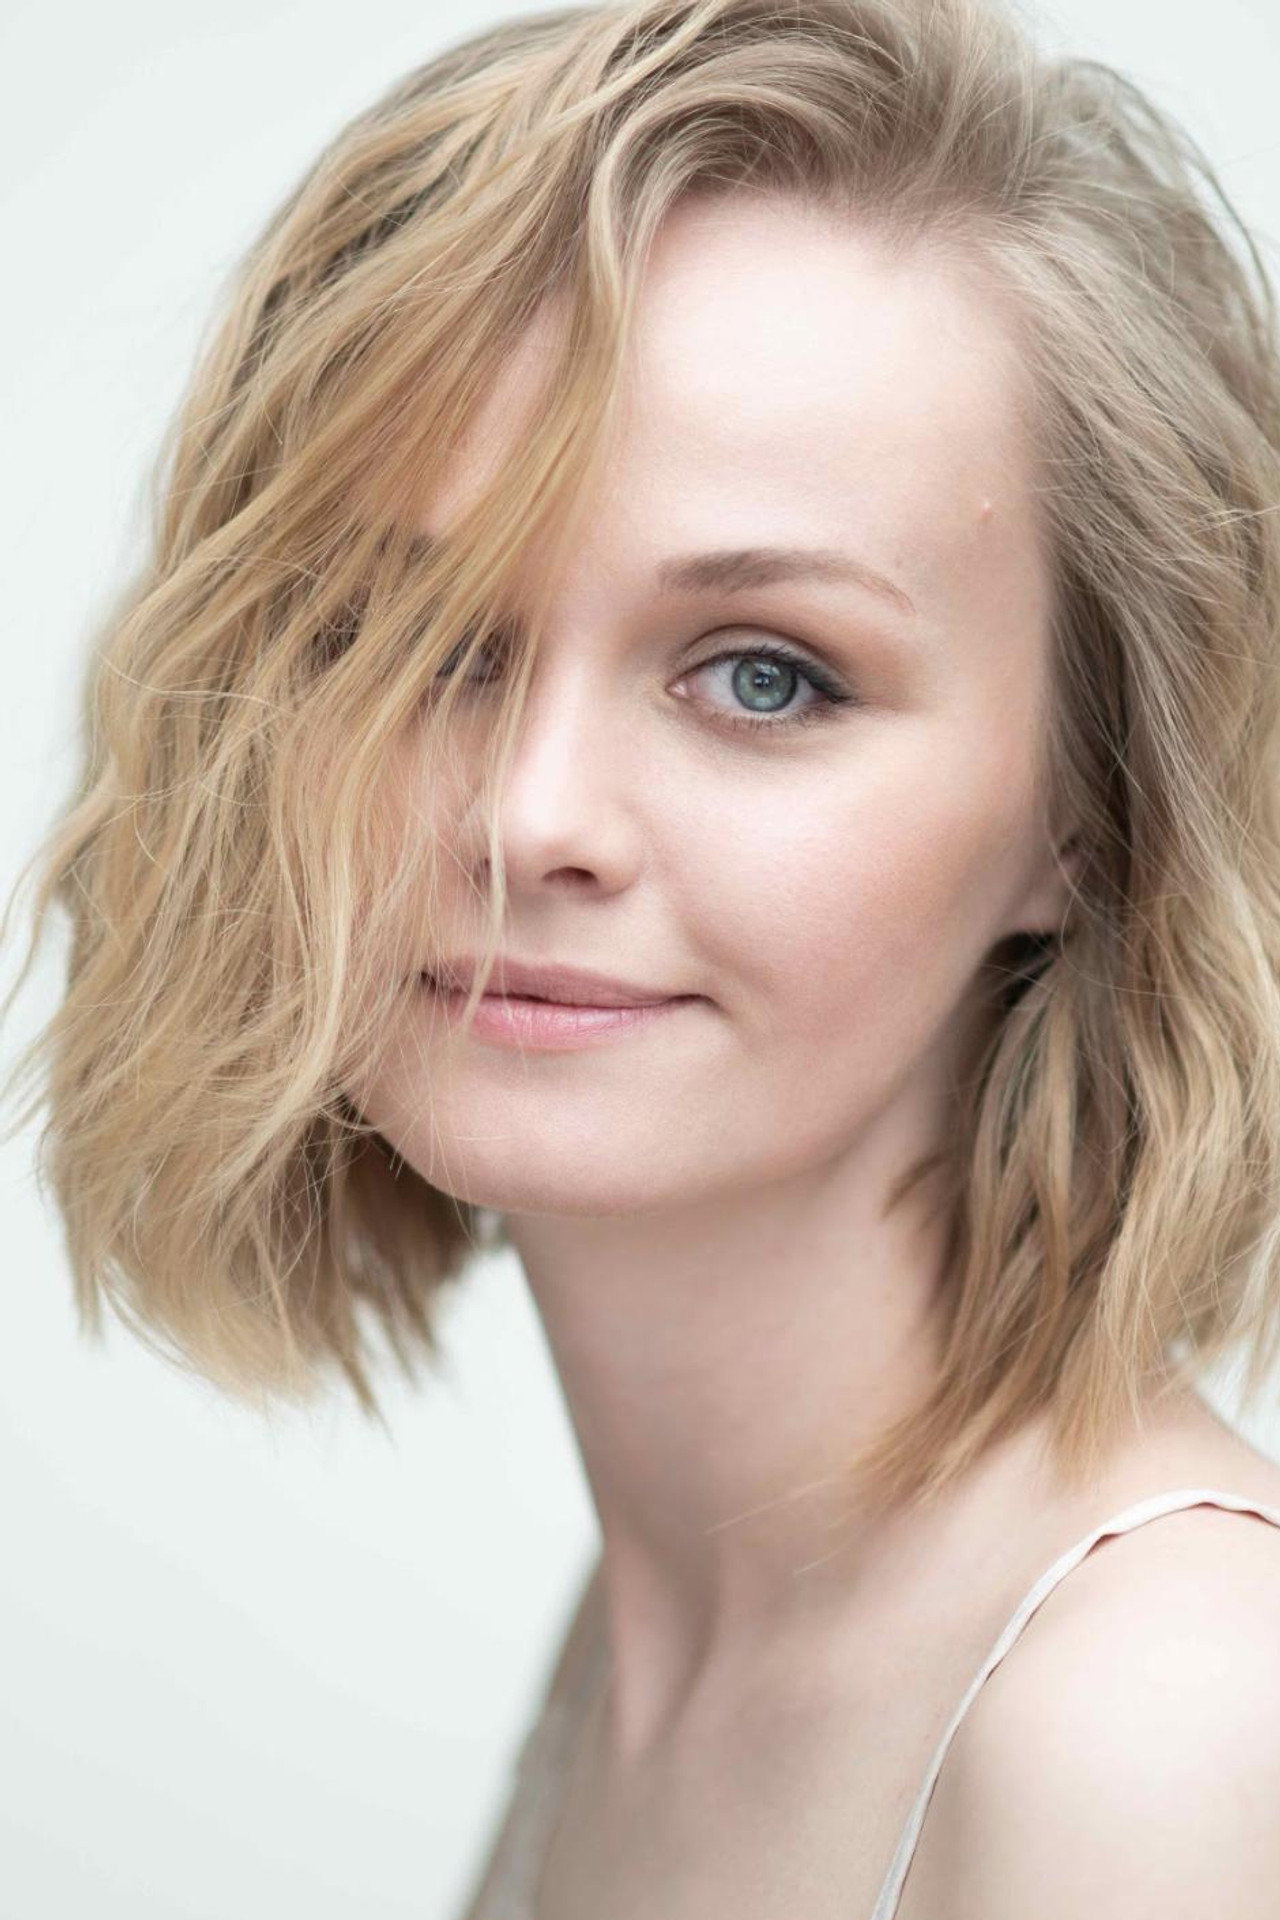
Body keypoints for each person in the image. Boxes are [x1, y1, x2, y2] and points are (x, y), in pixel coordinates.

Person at [5, 0, 1280, 1913]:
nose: (529, 818)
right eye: (423, 640)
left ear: (1086, 813)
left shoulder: (1155, 1730)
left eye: (765, 676)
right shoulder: (656, 1622)